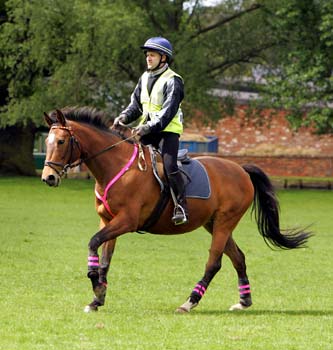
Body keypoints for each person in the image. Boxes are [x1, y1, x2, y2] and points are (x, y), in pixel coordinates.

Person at [113, 36, 188, 225]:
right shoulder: (144, 77)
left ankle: (181, 205)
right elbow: (135, 106)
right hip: (146, 132)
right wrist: (123, 117)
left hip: (167, 132)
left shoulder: (174, 80)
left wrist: (146, 127)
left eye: (152, 55)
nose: (148, 58)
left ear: (163, 58)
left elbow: (167, 112)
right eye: (147, 55)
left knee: (170, 167)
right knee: (131, 164)